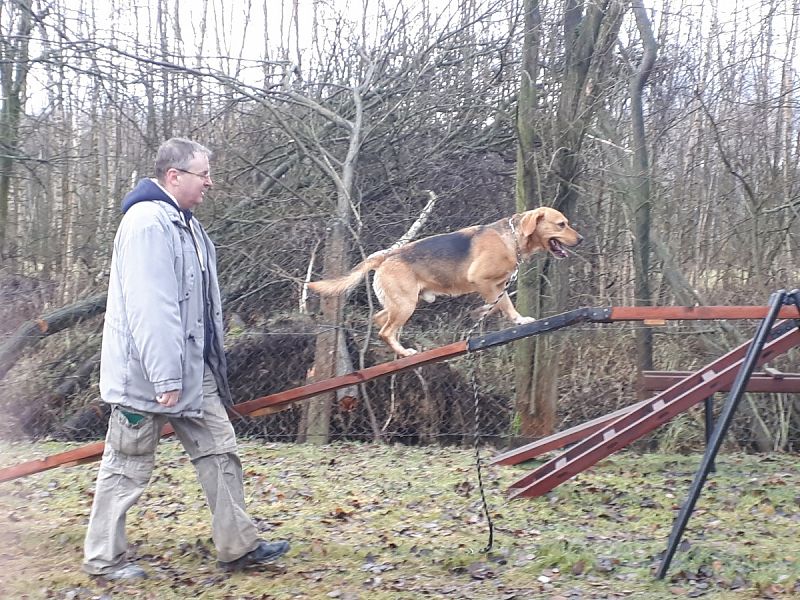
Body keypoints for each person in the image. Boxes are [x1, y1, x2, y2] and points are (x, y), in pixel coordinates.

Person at [82, 138, 289, 580]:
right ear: (174, 176)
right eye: (203, 174)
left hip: (193, 372)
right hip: (148, 376)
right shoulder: (146, 224)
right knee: (127, 465)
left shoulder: (186, 225)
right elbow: (151, 307)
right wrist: (164, 375)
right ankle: (103, 558)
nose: (210, 182)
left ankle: (238, 547)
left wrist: (203, 365)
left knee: (220, 451)